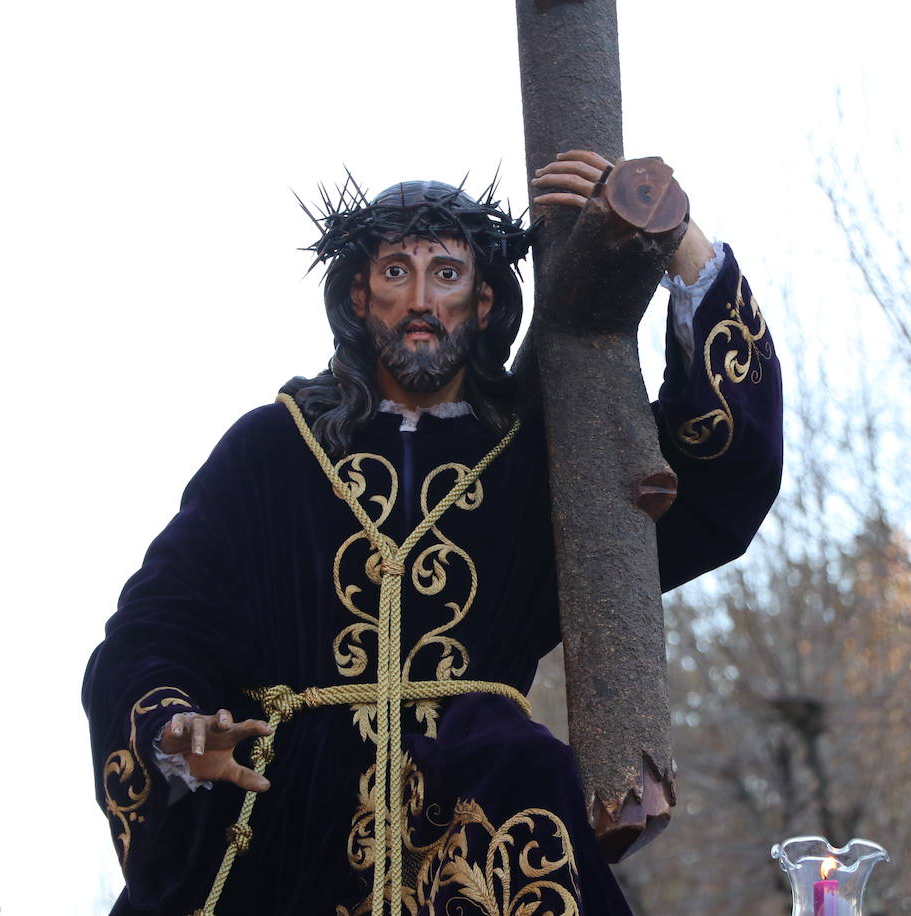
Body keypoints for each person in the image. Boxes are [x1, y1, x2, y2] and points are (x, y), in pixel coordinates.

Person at [83, 150, 782, 915]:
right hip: (288, 828)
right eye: (394, 274)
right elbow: (156, 625)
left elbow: (722, 466)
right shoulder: (272, 450)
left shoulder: (540, 461)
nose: (419, 300)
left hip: (484, 818)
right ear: (358, 296)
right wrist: (171, 728)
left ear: (483, 303)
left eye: (445, 274)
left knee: (530, 776)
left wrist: (672, 230)